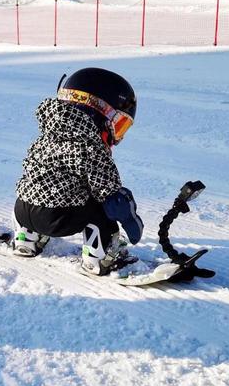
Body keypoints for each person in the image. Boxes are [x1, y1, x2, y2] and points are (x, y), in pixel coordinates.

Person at [9, 68, 144, 277]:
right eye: (119, 125)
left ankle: (26, 239)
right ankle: (98, 257)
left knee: (34, 185)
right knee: (100, 206)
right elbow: (111, 196)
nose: (118, 137)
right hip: (59, 220)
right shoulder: (92, 147)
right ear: (99, 114)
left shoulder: (46, 138)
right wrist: (131, 221)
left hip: (22, 211)